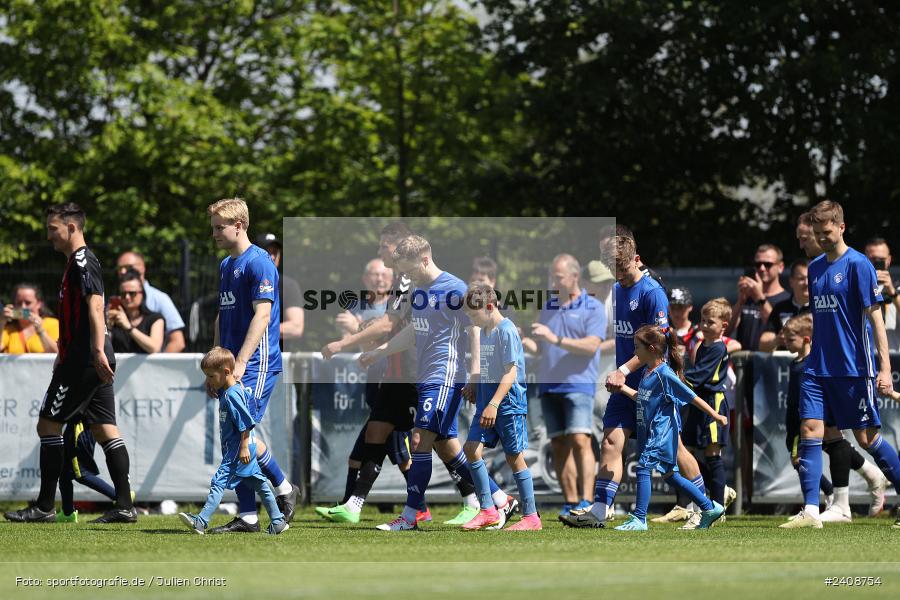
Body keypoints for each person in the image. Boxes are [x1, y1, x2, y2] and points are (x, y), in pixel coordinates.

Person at [318, 225, 513, 527]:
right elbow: (413, 331)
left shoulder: (454, 288)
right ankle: (501, 499)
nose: (403, 274)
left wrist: (474, 373)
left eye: (406, 268)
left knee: (421, 439)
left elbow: (474, 327)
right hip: (426, 376)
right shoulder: (417, 289)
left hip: (445, 376)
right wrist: (380, 351)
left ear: (423, 260)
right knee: (445, 444)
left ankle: (410, 516)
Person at [563, 234, 708, 529]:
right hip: (624, 382)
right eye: (613, 270)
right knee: (611, 441)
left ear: (636, 259)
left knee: (676, 448)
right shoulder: (616, 290)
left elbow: (657, 342)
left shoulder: (652, 292)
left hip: (652, 384)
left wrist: (623, 370)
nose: (619, 276)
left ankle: (701, 508)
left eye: (623, 269)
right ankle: (601, 510)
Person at [4, 203, 135, 524]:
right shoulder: (74, 264)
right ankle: (124, 506)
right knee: (105, 429)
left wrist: (95, 350)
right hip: (83, 356)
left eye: (53, 228)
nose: (49, 235)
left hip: (84, 360)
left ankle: (45, 506)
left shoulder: (81, 261)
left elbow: (96, 305)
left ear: (72, 228)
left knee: (48, 425)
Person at [780, 200, 900, 529]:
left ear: (842, 227)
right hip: (817, 368)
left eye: (827, 232)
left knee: (866, 437)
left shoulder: (858, 265)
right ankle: (810, 511)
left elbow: (876, 320)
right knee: (810, 431)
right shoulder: (816, 267)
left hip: (852, 369)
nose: (821, 238)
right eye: (817, 233)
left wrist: (884, 368)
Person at [206, 198, 299, 534]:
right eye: (214, 226)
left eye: (220, 227)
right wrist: (215, 365)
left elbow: (262, 315)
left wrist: (242, 361)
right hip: (231, 367)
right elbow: (222, 315)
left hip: (256, 363)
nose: (214, 232)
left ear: (239, 226)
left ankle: (280, 492)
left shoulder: (259, 263)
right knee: (234, 436)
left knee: (240, 435)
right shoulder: (225, 266)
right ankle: (253, 512)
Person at [606, 325, 727, 531]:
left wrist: (715, 415)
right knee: (671, 476)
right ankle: (709, 508)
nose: (634, 352)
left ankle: (639, 519)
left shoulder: (665, 374)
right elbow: (642, 398)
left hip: (660, 433)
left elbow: (692, 397)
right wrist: (622, 389)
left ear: (651, 348)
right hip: (649, 432)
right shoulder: (647, 371)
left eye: (637, 347)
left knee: (643, 468)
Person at [179, 347, 288, 535]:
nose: (209, 381)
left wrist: (244, 447)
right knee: (260, 485)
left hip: (238, 451)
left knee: (218, 483)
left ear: (226, 372)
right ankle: (278, 521)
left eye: (211, 376)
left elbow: (246, 422)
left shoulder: (232, 395)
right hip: (243, 448)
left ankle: (201, 521)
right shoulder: (233, 390)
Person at [461, 282, 541, 531]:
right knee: (472, 449)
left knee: (514, 458)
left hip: (506, 405)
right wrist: (475, 386)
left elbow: (510, 374)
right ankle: (487, 510)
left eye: (474, 314)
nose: (472, 320)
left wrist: (493, 404)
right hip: (488, 403)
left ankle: (531, 517)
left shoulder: (506, 330)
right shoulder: (484, 330)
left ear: (489, 306)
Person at [529, 254, 604, 516]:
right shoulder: (549, 306)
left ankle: (587, 501)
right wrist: (523, 340)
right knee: (558, 444)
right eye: (552, 276)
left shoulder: (593, 307)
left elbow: (591, 346)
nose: (553, 281)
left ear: (574, 276)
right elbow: (541, 347)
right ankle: (571, 503)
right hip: (549, 386)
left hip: (578, 385)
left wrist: (555, 338)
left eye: (558, 276)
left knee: (580, 441)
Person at [682, 299, 739, 508]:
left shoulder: (717, 348)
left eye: (710, 322)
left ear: (724, 325)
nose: (705, 326)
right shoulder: (701, 344)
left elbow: (699, 375)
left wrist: (676, 379)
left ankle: (717, 505)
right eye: (703, 321)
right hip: (698, 403)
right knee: (686, 452)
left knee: (712, 454)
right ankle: (719, 490)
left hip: (714, 404)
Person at [116, 251, 186, 352]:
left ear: (143, 268)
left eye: (128, 266)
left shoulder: (160, 299)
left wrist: (156, 366)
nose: (122, 271)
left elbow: (177, 342)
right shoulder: (116, 300)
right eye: (119, 268)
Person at [729, 244, 790, 351]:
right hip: (742, 364)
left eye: (767, 264)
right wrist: (740, 302)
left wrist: (759, 298)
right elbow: (725, 331)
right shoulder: (747, 297)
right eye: (757, 264)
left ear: (780, 267)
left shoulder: (787, 300)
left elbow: (782, 332)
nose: (762, 268)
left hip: (770, 364)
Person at [56, 420, 119, 523]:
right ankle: (67, 513)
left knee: (81, 474)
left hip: (79, 428)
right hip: (74, 428)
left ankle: (121, 497)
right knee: (64, 474)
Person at [256, 233, 305, 349]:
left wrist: (253, 330)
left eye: (275, 252)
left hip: (277, 360)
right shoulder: (240, 281)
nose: (272, 257)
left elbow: (296, 328)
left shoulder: (288, 285)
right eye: (267, 252)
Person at [107, 269, 165, 353]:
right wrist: (107, 327)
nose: (127, 297)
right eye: (123, 294)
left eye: (132, 293)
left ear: (142, 294)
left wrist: (129, 327)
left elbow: (154, 348)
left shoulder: (155, 319)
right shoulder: (116, 319)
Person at [759, 259, 809, 352]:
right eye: (801, 279)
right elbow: (762, 344)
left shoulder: (821, 307)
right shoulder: (781, 308)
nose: (806, 283)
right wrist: (777, 340)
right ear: (791, 282)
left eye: (810, 278)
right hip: (785, 364)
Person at [863, 238, 900, 351]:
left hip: (895, 357)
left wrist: (893, 293)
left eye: (881, 259)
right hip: (868, 358)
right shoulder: (857, 287)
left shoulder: (897, 286)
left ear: (889, 260)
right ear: (864, 259)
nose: (877, 263)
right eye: (873, 259)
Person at [1, 283, 59, 354]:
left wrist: (39, 329)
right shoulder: (9, 328)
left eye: (28, 303)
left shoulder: (52, 324)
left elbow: (56, 353)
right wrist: (2, 322)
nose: (23, 307)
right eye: (19, 303)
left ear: (39, 304)